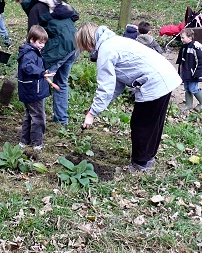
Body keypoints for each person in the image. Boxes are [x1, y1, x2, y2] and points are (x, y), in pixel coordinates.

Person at [76, 22, 181, 172]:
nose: (86, 50)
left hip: (154, 81)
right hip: (165, 75)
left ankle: (139, 165)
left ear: (88, 40)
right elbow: (117, 84)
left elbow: (105, 87)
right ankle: (147, 159)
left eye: (84, 46)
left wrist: (92, 114)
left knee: (141, 124)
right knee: (153, 123)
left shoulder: (106, 50)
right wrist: (95, 109)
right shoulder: (115, 42)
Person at [16, 0, 78, 125]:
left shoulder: (35, 8)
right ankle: (61, 119)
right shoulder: (53, 4)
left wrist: (25, 58)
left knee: (40, 80)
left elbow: (33, 37)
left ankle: (37, 120)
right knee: (61, 82)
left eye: (21, 4)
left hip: (60, 48)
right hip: (75, 43)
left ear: (25, 0)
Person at [17, 25, 53, 152]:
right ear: (32, 40)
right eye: (40, 42)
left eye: (43, 43)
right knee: (38, 117)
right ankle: (37, 143)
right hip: (33, 91)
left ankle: (24, 141)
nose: (42, 45)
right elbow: (28, 67)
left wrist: (43, 70)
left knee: (29, 115)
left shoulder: (31, 52)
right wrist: (41, 73)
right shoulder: (29, 54)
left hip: (30, 89)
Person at [176, 28, 202, 111]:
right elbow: (181, 61)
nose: (181, 39)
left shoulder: (195, 47)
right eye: (181, 38)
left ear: (190, 38)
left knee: (193, 88)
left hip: (193, 73)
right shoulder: (183, 47)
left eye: (183, 37)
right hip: (185, 72)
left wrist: (197, 73)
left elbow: (200, 61)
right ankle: (188, 104)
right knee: (187, 88)